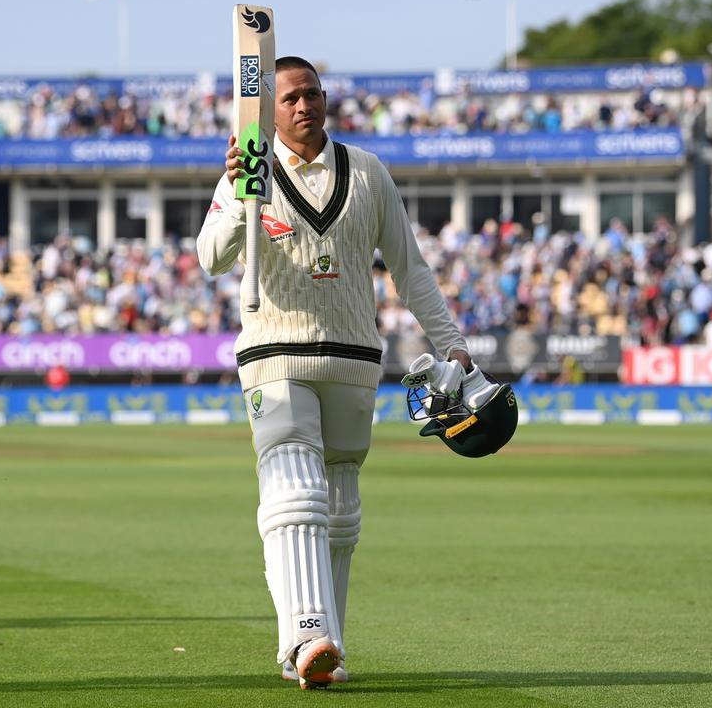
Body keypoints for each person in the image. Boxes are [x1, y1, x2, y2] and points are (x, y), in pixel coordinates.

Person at [197, 56, 493, 689]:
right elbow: (211, 259)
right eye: (289, 99)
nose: (303, 106)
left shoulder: (367, 171)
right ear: (267, 111)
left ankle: (321, 650)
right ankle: (308, 635)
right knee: (294, 491)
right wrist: (238, 198)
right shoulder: (246, 170)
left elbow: (409, 268)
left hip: (355, 357)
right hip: (275, 351)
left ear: (324, 98)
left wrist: (453, 345)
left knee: (339, 512)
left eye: (311, 94)